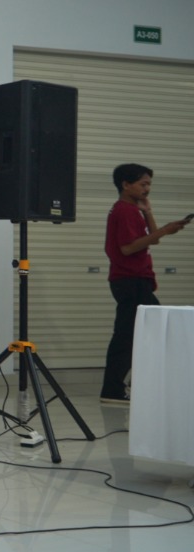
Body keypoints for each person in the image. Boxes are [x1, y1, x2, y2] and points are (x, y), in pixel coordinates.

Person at [100, 163, 188, 406]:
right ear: (126, 185)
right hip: (131, 280)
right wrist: (166, 230)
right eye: (143, 184)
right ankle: (113, 389)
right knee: (129, 335)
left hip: (136, 280)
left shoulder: (132, 210)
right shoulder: (124, 211)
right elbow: (128, 248)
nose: (147, 189)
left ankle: (128, 385)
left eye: (149, 184)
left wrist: (148, 212)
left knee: (141, 332)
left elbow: (152, 240)